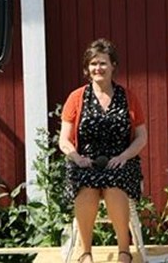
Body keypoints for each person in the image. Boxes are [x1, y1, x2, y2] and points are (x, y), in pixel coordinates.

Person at [58, 38, 147, 263]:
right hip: (85, 161)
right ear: (87, 68)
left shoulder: (128, 97)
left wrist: (124, 156)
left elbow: (141, 137)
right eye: (93, 64)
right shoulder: (76, 98)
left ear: (113, 65)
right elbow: (64, 140)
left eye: (103, 63)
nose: (98, 68)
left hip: (121, 160)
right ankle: (85, 252)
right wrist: (77, 158)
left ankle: (124, 252)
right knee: (86, 187)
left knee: (114, 187)